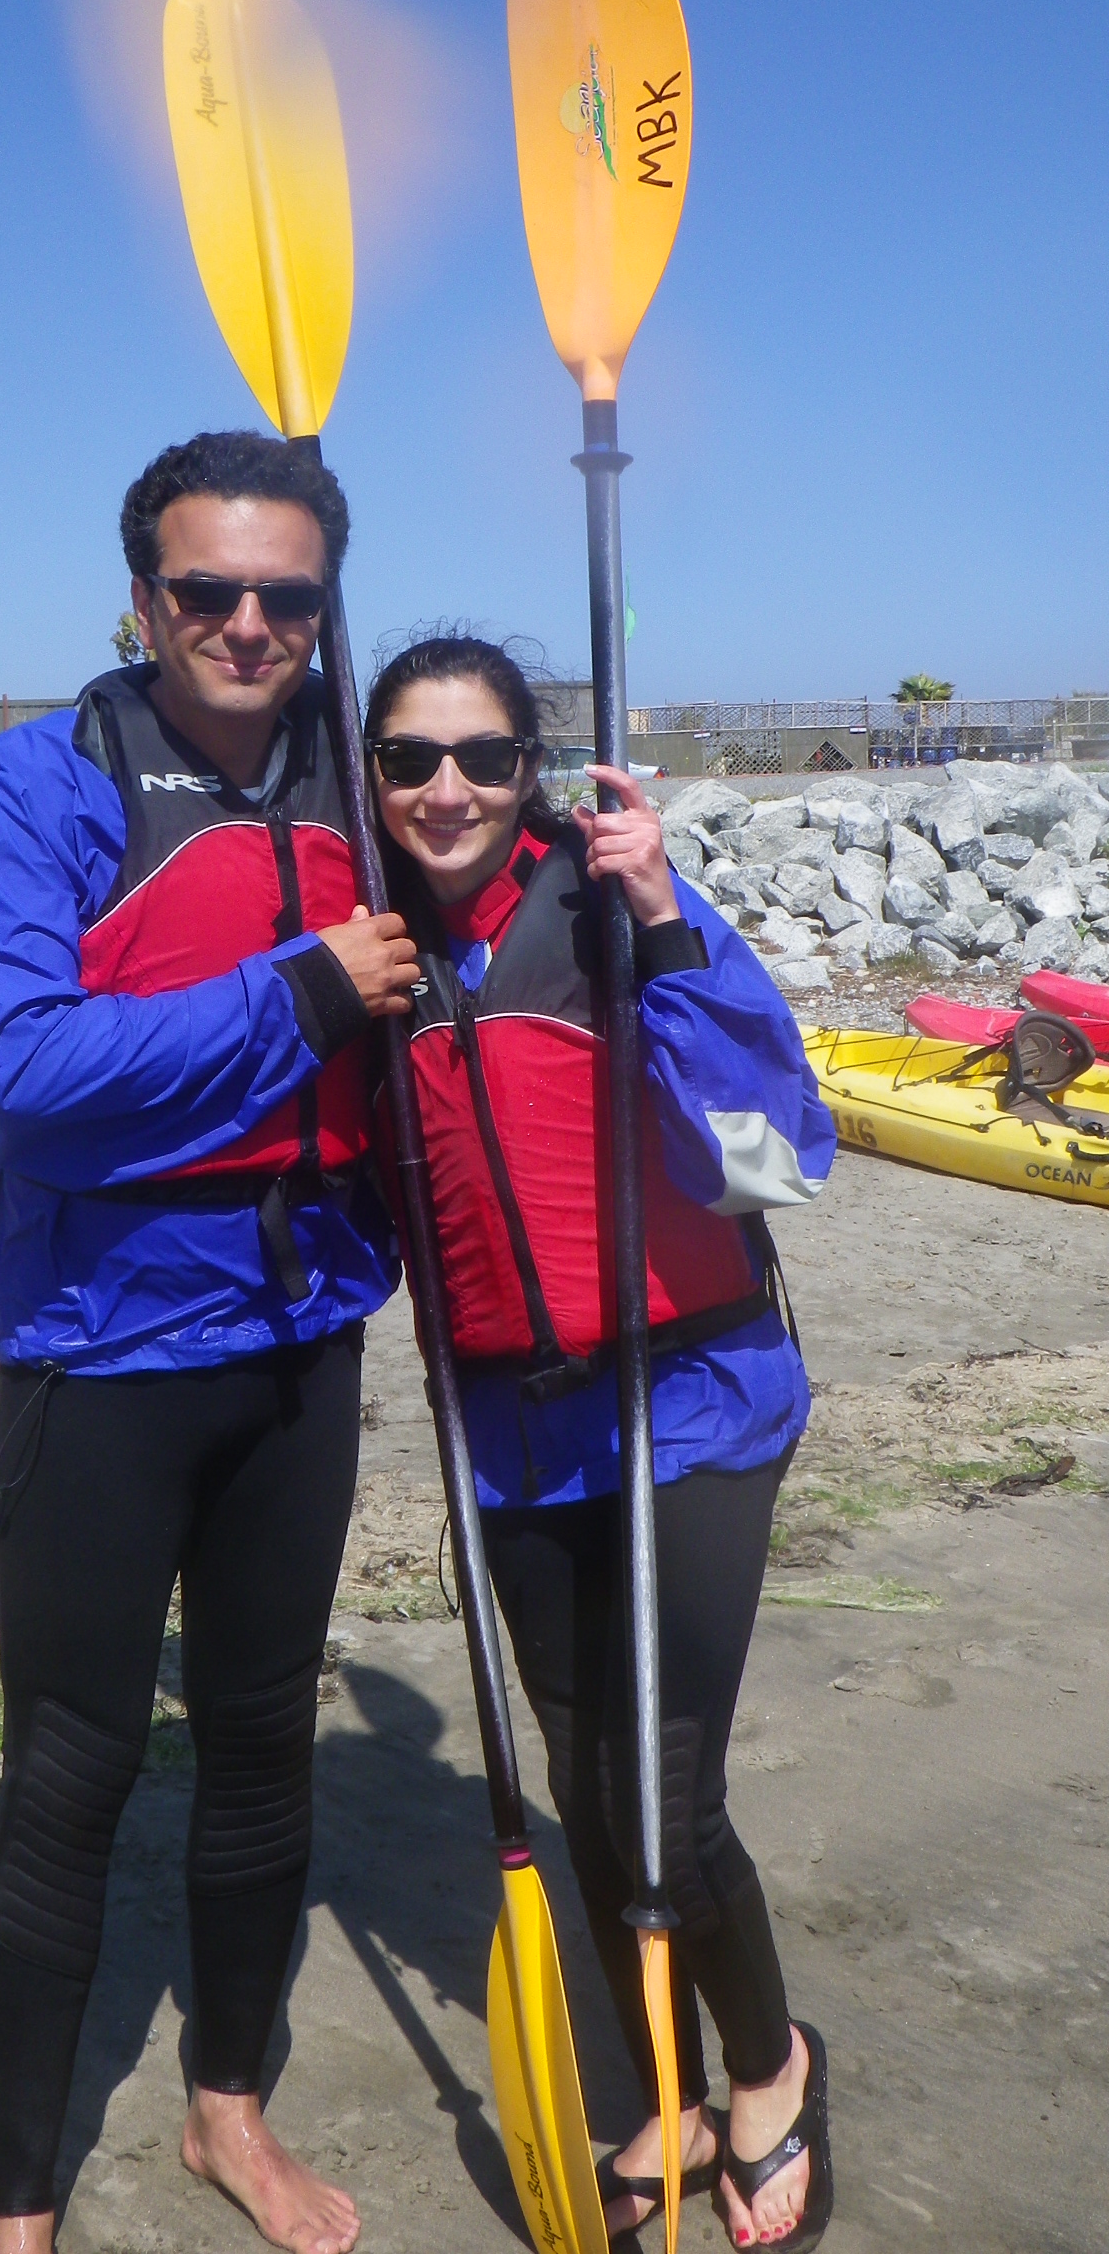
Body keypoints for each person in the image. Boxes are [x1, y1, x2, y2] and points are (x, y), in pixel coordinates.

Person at [0, 431, 419, 2254]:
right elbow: (25, 1081)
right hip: (103, 1345)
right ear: (141, 598)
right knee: (69, 1770)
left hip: (303, 1338)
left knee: (264, 1737)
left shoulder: (363, 790)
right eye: (205, 589)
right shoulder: (48, 787)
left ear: (322, 607)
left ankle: (228, 2113)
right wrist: (297, 991)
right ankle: (19, 2209)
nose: (246, 622)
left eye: (286, 594)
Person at [365, 634, 838, 2254]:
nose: (450, 792)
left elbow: (785, 1159)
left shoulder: (614, 907)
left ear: (533, 773)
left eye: (486, 759)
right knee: (585, 1785)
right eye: (413, 760)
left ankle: (769, 2068)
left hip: (696, 1403)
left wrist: (659, 920)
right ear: (373, 774)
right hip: (512, 1433)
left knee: (667, 1793)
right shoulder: (372, 951)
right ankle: (661, 2092)